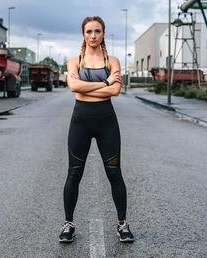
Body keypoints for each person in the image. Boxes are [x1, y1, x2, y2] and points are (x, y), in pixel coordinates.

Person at [59, 16, 134, 243]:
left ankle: (122, 224)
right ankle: (68, 225)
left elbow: (116, 91)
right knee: (74, 174)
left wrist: (90, 88)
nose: (93, 36)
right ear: (83, 34)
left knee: (114, 174)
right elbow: (74, 87)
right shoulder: (75, 61)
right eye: (89, 31)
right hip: (80, 121)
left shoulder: (113, 61)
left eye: (97, 31)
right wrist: (105, 83)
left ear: (103, 34)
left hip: (106, 122)